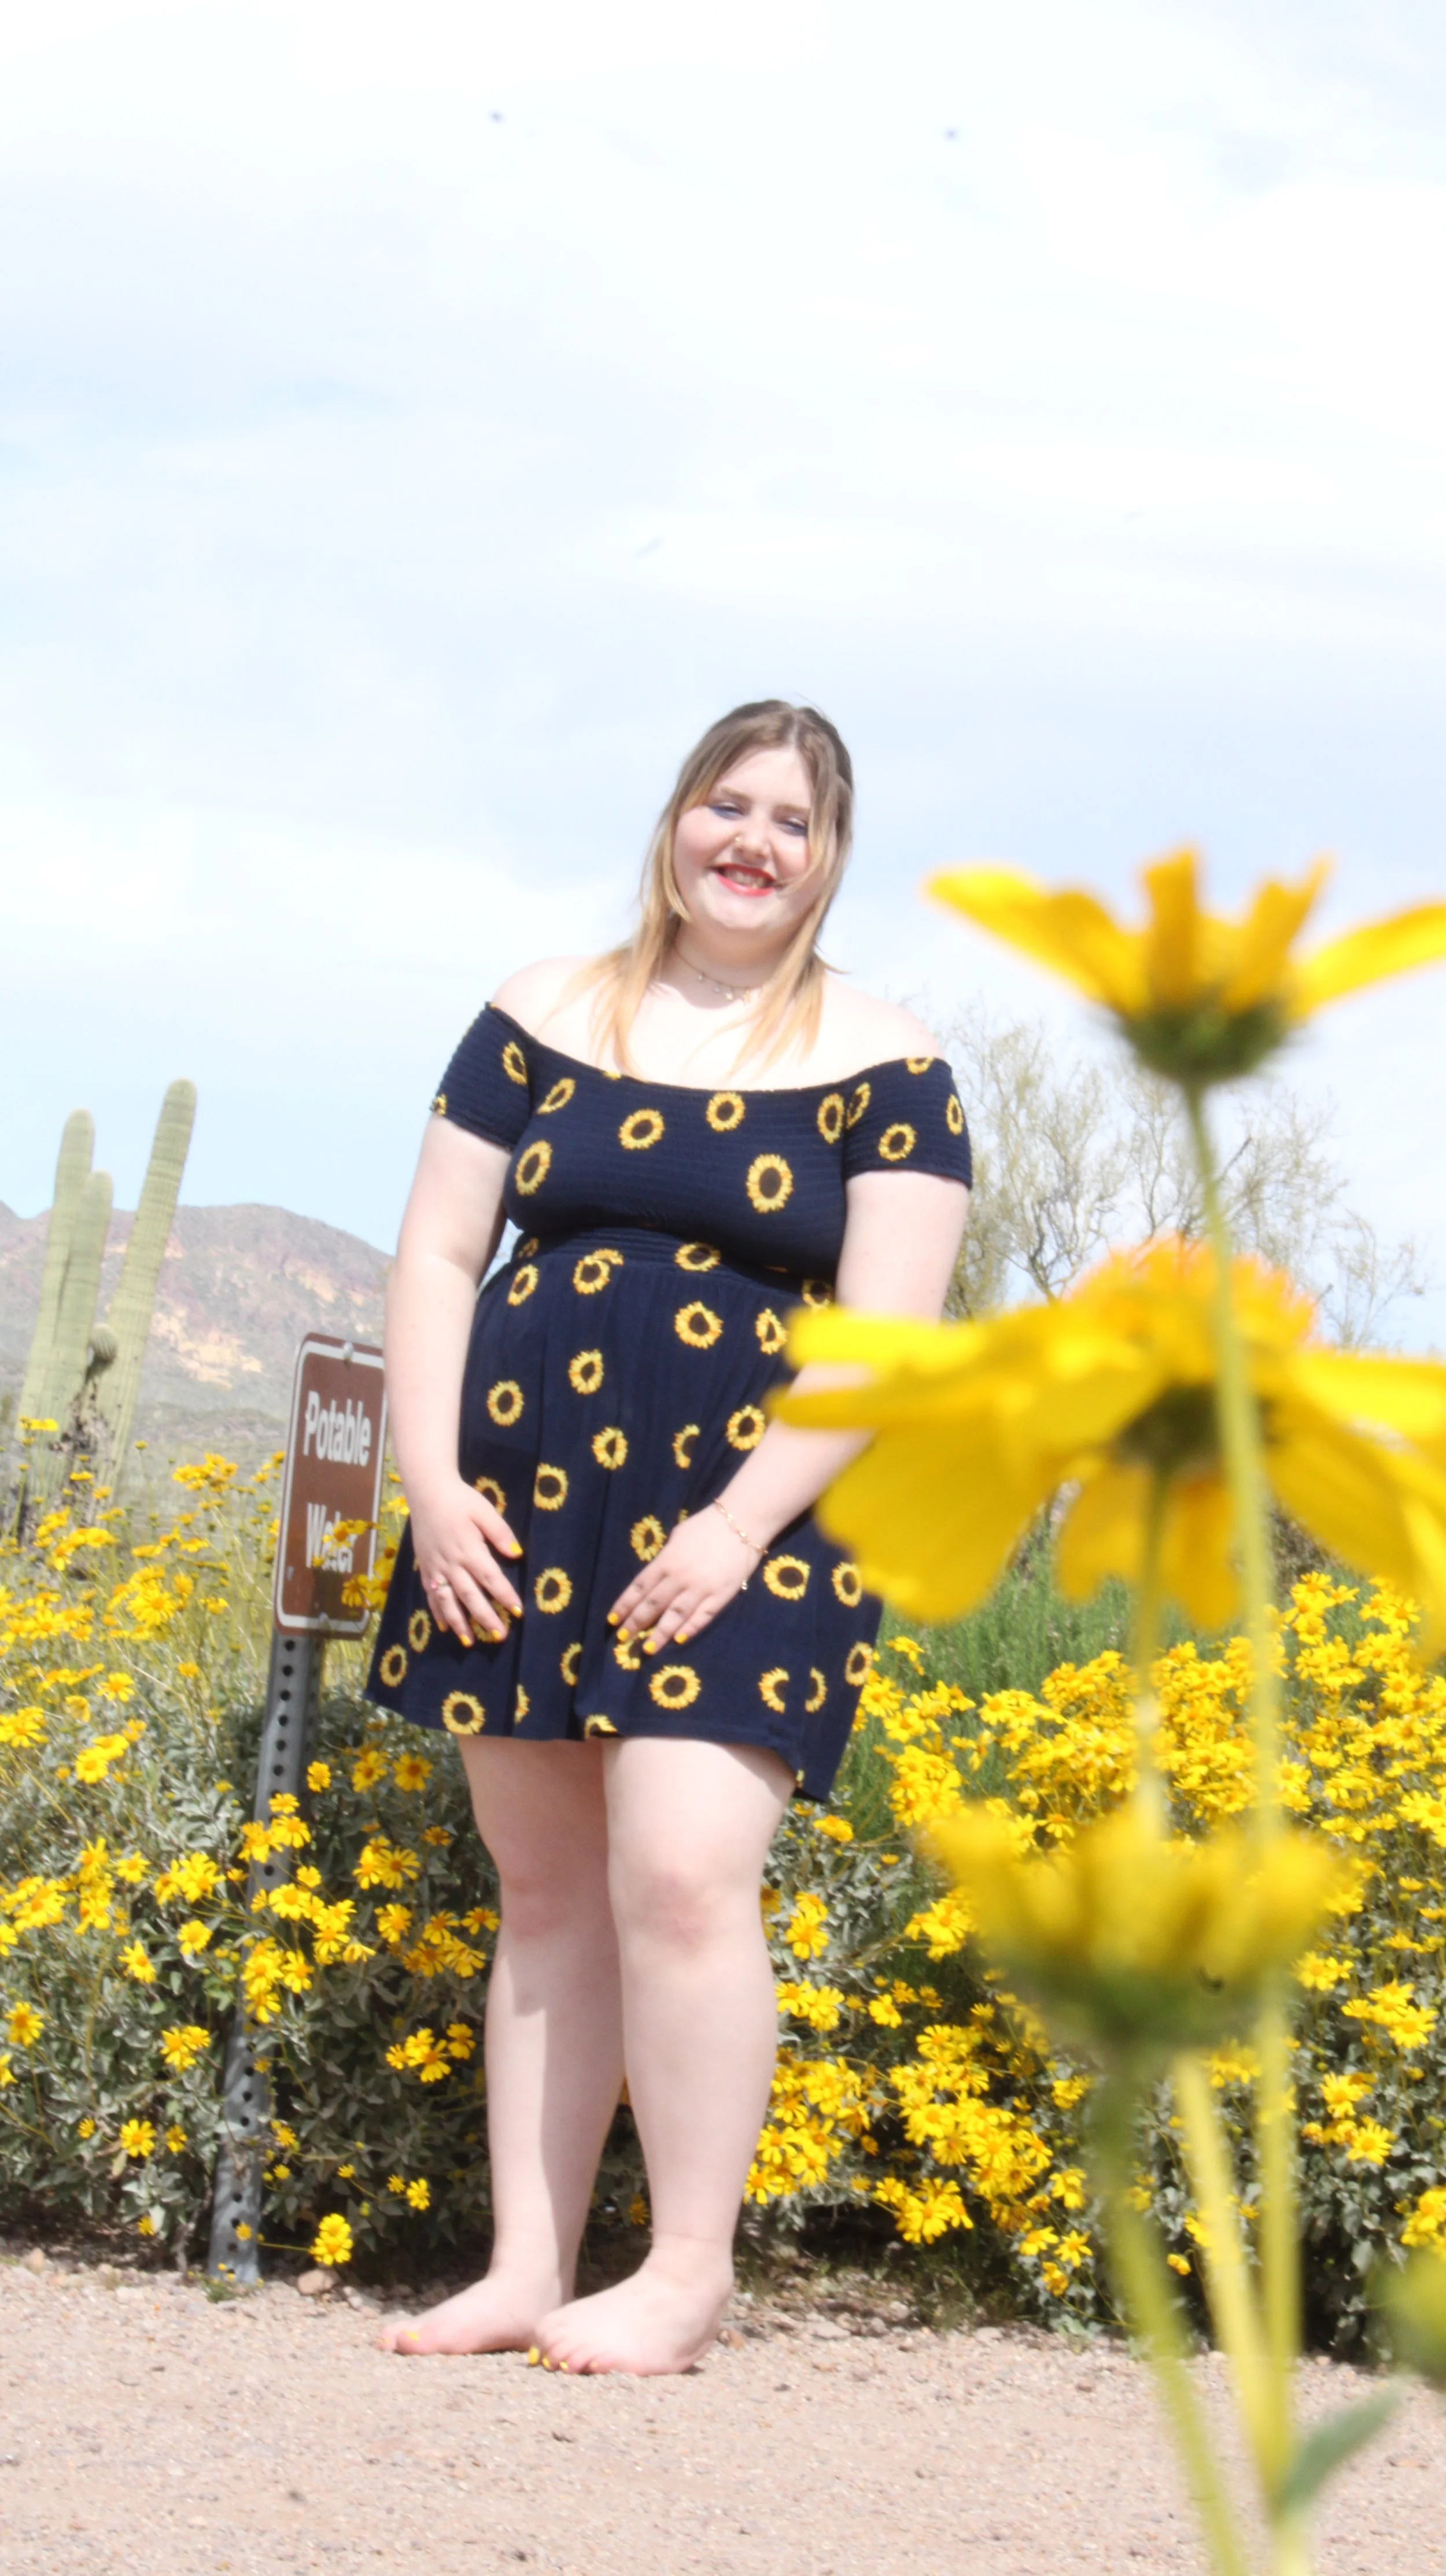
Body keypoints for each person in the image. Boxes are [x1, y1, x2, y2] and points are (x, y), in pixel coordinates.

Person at [368, 700, 971, 2375]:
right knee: (548, 1883)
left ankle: (688, 2270)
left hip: (753, 1515)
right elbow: (435, 1256)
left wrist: (732, 1526)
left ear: (829, 860)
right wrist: (431, 1481)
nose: (754, 842)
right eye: (729, 803)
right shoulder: (533, 1013)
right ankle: (524, 2263)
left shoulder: (890, 1061)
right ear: (675, 817)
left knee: (686, 1876)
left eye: (795, 821)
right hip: (518, 1499)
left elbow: (885, 1341)